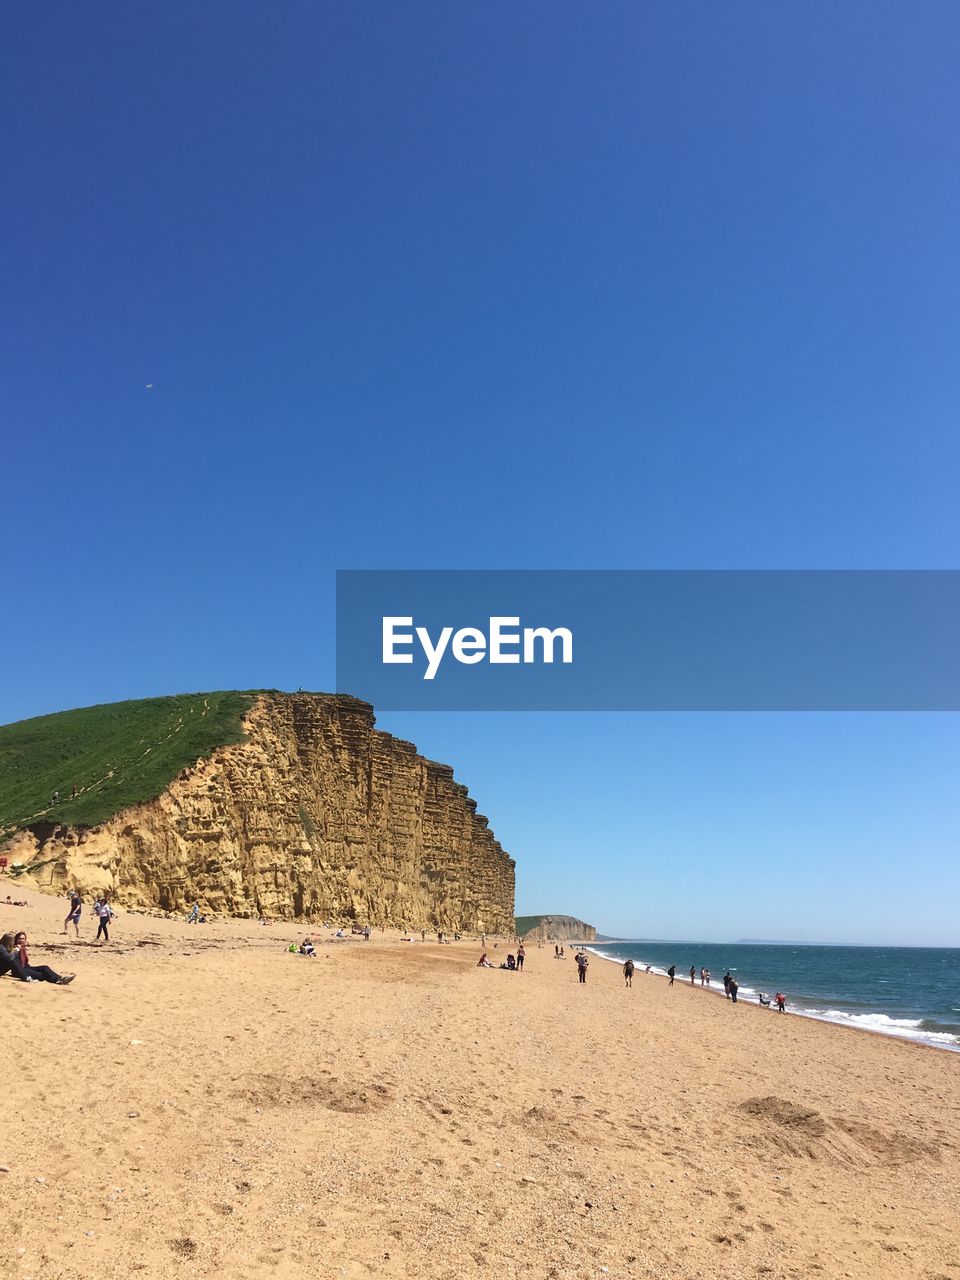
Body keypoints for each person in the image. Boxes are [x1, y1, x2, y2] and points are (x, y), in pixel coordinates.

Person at [9, 932, 75, 984]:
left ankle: (60, 978)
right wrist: (17, 949)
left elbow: (25, 961)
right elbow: (11, 958)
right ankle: (58, 980)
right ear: (16, 940)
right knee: (42, 975)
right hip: (20, 971)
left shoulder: (23, 948)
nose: (21, 940)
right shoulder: (14, 948)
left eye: (23, 939)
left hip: (27, 967)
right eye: (19, 939)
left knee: (45, 968)